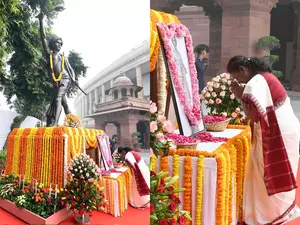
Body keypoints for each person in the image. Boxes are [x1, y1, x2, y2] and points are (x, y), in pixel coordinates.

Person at [227, 55, 300, 225]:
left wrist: (240, 95)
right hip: (287, 128)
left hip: (277, 132)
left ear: (243, 70)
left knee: (266, 171)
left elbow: (252, 116)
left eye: (236, 76)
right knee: (281, 168)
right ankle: (282, 210)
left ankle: (268, 215)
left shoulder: (255, 83)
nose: (237, 80)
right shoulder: (266, 76)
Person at [38, 12, 78, 126]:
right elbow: (43, 38)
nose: (60, 45)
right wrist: (41, 21)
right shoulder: (49, 54)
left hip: (65, 78)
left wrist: (73, 79)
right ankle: (73, 123)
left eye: (61, 43)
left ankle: (55, 124)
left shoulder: (62, 57)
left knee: (58, 98)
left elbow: (70, 70)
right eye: (57, 42)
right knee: (63, 102)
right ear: (52, 43)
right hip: (56, 81)